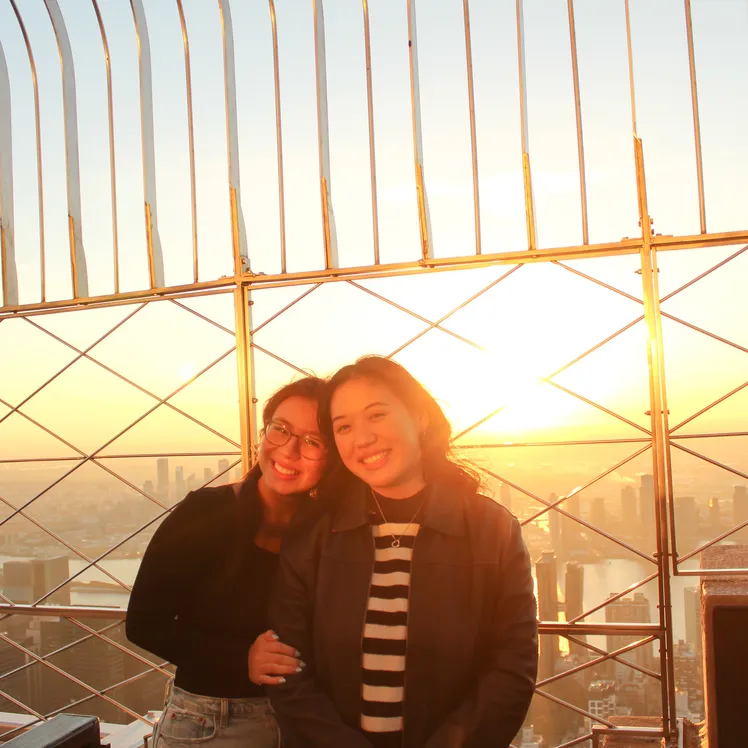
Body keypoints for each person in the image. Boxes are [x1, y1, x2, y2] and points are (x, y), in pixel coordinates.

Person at [268, 356, 538, 748]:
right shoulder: (314, 533)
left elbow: (512, 666)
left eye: (376, 416)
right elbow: (287, 667)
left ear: (420, 417)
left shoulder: (491, 529)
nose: (362, 439)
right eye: (343, 427)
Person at [126, 377, 329, 748]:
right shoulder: (205, 512)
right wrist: (242, 659)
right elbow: (143, 624)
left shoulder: (330, 529)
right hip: (212, 722)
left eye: (314, 441)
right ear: (262, 435)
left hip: (307, 721)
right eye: (281, 430)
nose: (290, 450)